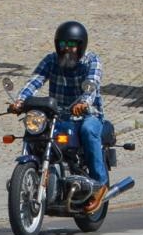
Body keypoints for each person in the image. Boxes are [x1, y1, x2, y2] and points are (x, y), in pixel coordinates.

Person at [13, 21, 108, 212]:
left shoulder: (92, 61)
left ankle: (99, 184)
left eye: (72, 45)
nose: (68, 49)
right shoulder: (50, 60)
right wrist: (20, 100)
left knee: (89, 131)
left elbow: (92, 82)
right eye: (63, 45)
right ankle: (38, 172)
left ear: (81, 46)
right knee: (36, 130)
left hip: (88, 114)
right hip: (58, 115)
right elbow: (36, 80)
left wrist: (84, 103)